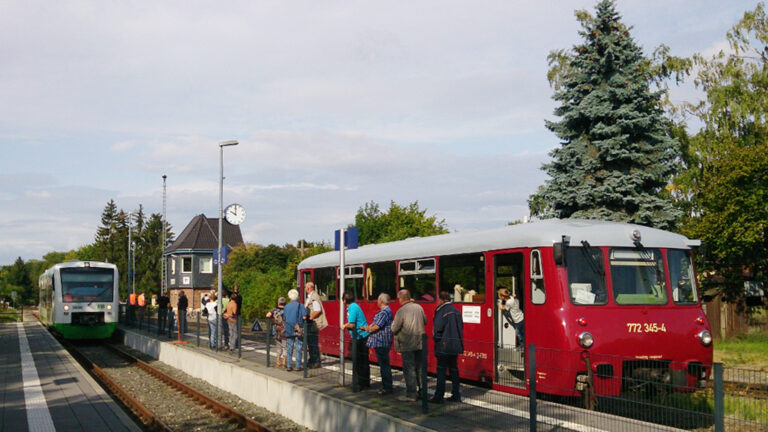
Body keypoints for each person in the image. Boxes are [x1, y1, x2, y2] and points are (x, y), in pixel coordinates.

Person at [391, 289, 426, 401]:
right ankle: (422, 392)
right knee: (420, 368)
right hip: (420, 342)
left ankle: (411, 394)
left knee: (409, 369)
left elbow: (394, 328)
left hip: (407, 343)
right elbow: (425, 321)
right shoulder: (419, 307)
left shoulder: (401, 311)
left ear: (401, 299)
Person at [430, 291, 463, 403]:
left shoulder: (441, 311)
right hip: (455, 345)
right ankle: (456, 394)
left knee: (441, 370)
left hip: (443, 345)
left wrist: (436, 339)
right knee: (454, 370)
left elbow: (437, 328)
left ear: (441, 299)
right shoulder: (456, 311)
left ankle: (439, 396)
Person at [363, 293, 394, 395]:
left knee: (384, 365)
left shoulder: (384, 312)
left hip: (381, 341)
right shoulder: (387, 311)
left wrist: (368, 329)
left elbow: (377, 326)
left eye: (378, 300)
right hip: (384, 341)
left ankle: (387, 387)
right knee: (384, 365)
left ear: (381, 301)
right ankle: (387, 386)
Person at [342, 292, 370, 390]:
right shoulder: (354, 306)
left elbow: (352, 324)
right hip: (362, 335)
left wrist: (345, 325)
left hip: (360, 336)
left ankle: (360, 383)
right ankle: (365, 383)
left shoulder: (352, 308)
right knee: (363, 360)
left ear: (344, 300)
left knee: (359, 360)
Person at [304, 282, 328, 369]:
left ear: (309, 288)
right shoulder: (311, 297)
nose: (305, 289)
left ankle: (315, 361)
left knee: (313, 342)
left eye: (305, 287)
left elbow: (317, 310)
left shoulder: (314, 297)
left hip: (313, 323)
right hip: (311, 322)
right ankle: (312, 360)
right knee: (310, 342)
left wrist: (310, 318)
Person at [283, 289, 307, 371]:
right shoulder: (301, 306)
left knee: (289, 347)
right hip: (298, 328)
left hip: (289, 328)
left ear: (289, 297)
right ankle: (298, 366)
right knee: (299, 347)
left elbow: (284, 317)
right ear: (297, 297)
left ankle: (289, 365)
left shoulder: (286, 306)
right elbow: (304, 317)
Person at [266, 297, 287, 367]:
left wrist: (274, 317)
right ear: (285, 303)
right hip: (284, 330)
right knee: (285, 346)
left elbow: (267, 315)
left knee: (278, 346)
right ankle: (284, 362)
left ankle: (278, 361)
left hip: (276, 329)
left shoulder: (274, 309)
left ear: (278, 303)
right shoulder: (287, 309)